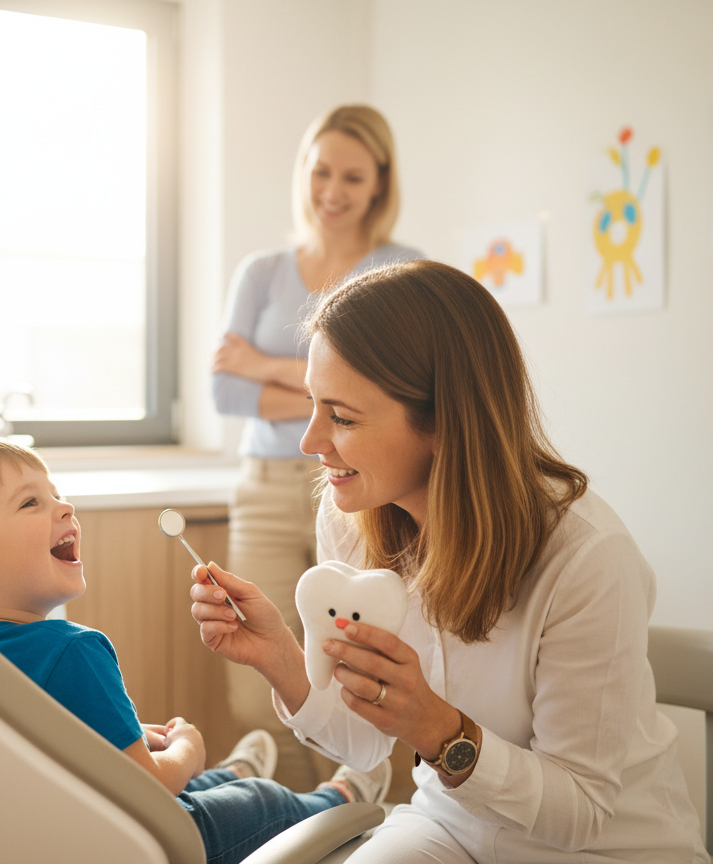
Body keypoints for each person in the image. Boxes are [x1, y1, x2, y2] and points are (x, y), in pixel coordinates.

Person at [191, 261, 708, 862]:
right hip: (449, 826)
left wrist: (437, 729)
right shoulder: (350, 518)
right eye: (312, 404)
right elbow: (361, 743)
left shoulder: (588, 558)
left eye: (343, 417)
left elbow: (580, 815)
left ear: (442, 420)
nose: (309, 441)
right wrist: (279, 654)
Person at [0, 437, 390, 864]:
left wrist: (127, 741)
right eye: (30, 502)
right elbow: (148, 788)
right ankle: (336, 797)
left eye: (55, 493)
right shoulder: (73, 650)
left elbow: (38, 744)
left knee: (197, 785)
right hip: (134, 845)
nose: (65, 507)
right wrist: (189, 750)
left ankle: (230, 774)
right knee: (259, 802)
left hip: (49, 839)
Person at [211, 104, 423, 791]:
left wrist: (268, 366)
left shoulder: (402, 268)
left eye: (353, 176)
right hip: (269, 488)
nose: (333, 190)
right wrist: (333, 396)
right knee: (258, 689)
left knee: (363, 677)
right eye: (321, 170)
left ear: (379, 183)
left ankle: (367, 825)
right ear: (303, 172)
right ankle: (311, 821)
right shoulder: (262, 271)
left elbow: (399, 391)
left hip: (371, 490)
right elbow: (225, 396)